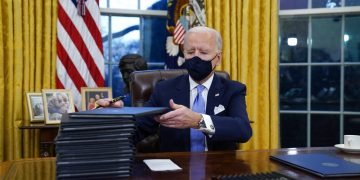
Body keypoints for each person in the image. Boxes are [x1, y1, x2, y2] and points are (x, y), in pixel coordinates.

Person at [97, 26, 252, 152]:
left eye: (203, 52)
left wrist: (198, 121)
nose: (195, 57)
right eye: (190, 52)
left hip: (218, 169)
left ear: (218, 58)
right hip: (174, 169)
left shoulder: (233, 90)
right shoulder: (164, 89)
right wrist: (117, 114)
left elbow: (243, 130)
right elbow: (138, 129)